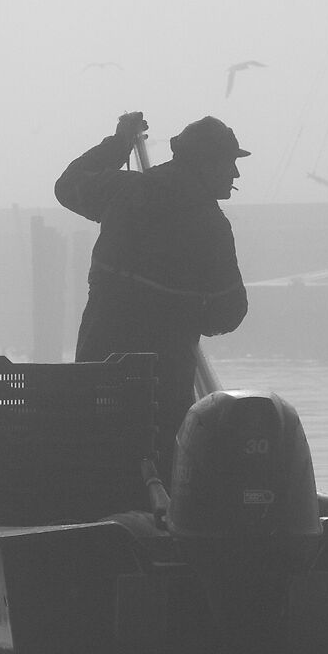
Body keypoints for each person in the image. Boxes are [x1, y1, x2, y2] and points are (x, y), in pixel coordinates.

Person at [54, 112, 249, 452]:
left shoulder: (126, 191)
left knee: (96, 454)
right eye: (228, 162)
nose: (234, 172)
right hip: (165, 381)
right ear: (204, 163)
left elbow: (68, 185)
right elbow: (229, 313)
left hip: (99, 367)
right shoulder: (210, 225)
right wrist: (189, 312)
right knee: (160, 460)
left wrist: (118, 144)